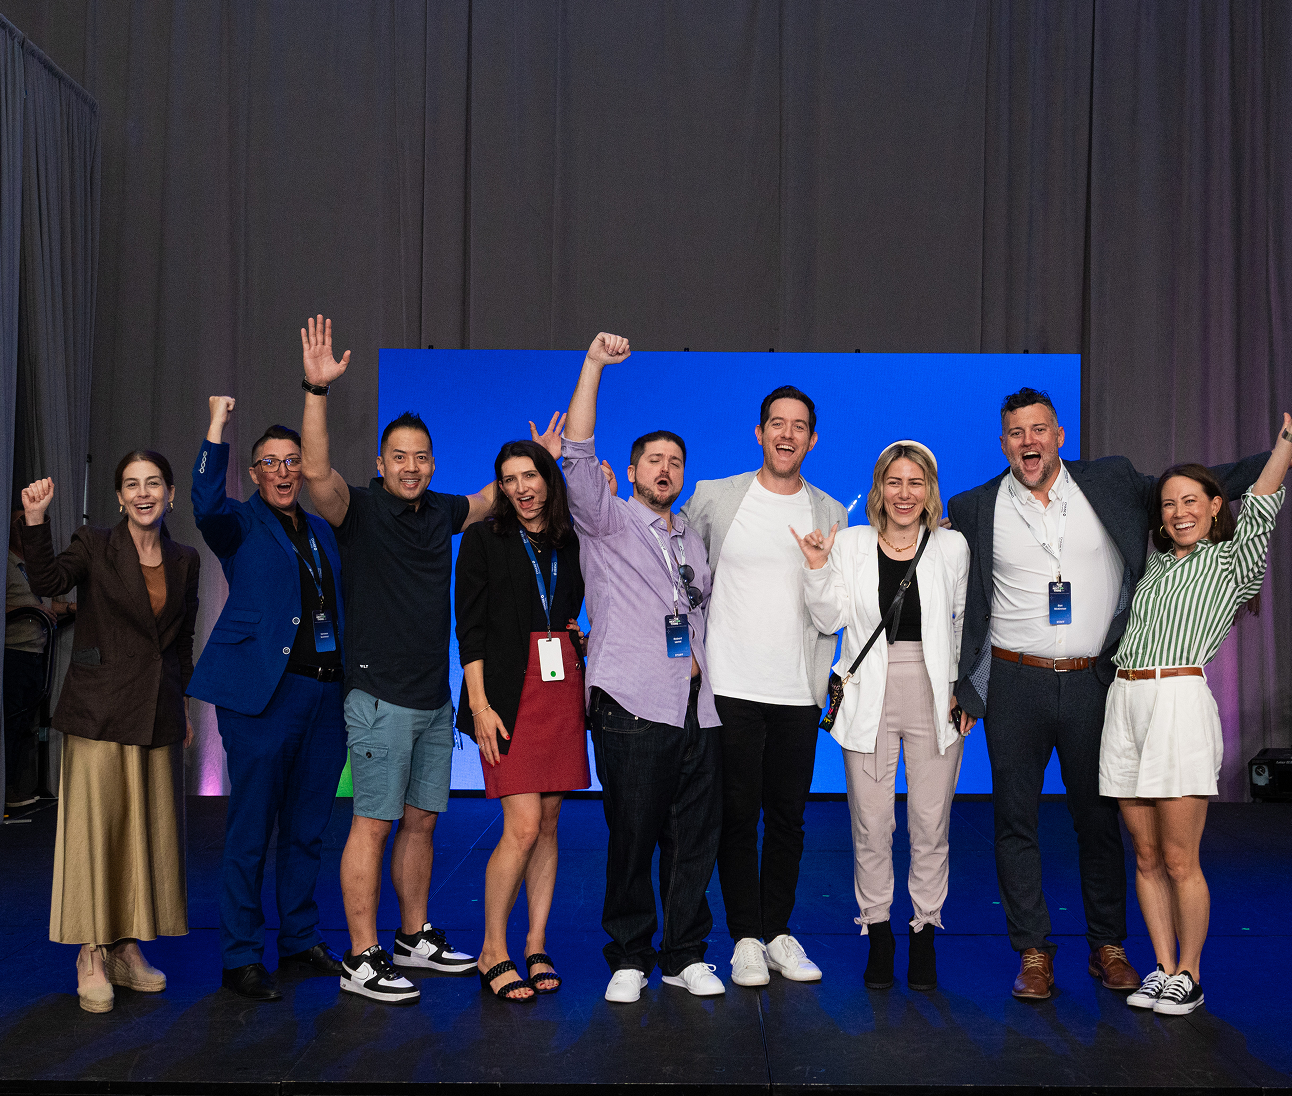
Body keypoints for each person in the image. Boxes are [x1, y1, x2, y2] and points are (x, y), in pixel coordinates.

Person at [947, 388, 1268, 1000]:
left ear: (1059, 436)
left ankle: (1108, 946)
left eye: (1039, 429)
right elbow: (940, 570)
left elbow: (1207, 482)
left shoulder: (1111, 482)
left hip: (1095, 680)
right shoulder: (975, 506)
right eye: (1016, 433)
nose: (1029, 442)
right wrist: (966, 685)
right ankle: (1033, 952)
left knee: (1098, 820)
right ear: (1003, 443)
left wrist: (1278, 454)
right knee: (1014, 821)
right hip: (1015, 683)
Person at [298, 315, 495, 1004]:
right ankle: (361, 956)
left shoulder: (441, 510)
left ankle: (413, 937)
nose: (411, 467)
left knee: (422, 821)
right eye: (399, 457)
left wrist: (544, 455)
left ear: (432, 464)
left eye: (422, 457)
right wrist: (316, 391)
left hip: (434, 700)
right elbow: (315, 473)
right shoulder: (357, 509)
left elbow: (491, 498)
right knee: (373, 823)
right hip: (378, 698)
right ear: (382, 463)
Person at [1100, 415, 1291, 1016]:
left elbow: (1262, 503)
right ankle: (1161, 968)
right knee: (1146, 856)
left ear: (1214, 506)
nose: (1180, 512)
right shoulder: (1155, 565)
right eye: (1169, 504)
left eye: (1191, 501)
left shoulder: (1232, 560)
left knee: (1181, 857)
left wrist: (1285, 447)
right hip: (1125, 701)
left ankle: (1191, 973)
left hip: (1178, 700)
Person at [561, 331, 725, 1004]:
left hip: (696, 709)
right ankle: (629, 956)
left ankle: (684, 955)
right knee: (632, 839)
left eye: (675, 462)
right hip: (631, 705)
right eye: (654, 460)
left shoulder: (689, 538)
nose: (665, 469)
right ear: (630, 473)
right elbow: (577, 454)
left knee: (692, 841)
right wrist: (594, 366)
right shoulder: (606, 522)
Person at [19, 453, 198, 1013]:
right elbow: (48, 581)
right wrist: (36, 519)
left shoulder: (185, 559)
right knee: (97, 835)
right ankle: (91, 954)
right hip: (98, 713)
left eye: (153, 483)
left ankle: (125, 948)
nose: (143, 493)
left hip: (155, 714)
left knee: (142, 836)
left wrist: (183, 705)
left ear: (170, 494)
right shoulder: (95, 544)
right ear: (120, 498)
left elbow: (182, 640)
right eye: (132, 485)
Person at [679, 386, 846, 987]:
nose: (786, 434)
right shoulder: (715, 497)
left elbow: (832, 614)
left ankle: (777, 932)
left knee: (788, 820)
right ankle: (745, 938)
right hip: (729, 686)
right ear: (759, 433)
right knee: (736, 817)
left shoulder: (831, 513)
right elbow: (675, 571)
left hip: (797, 691)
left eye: (799, 426)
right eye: (777, 423)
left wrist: (820, 566)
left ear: (812, 439)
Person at [795, 441, 971, 992]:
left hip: (935, 691)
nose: (904, 493)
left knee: (930, 824)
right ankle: (878, 932)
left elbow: (963, 622)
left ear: (929, 490)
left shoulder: (952, 546)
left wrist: (964, 691)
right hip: (868, 689)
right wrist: (817, 567)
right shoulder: (850, 543)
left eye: (915, 482)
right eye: (894, 482)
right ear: (879, 488)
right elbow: (829, 618)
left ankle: (924, 931)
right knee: (872, 824)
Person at [189, 397, 348, 1002]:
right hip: (261, 698)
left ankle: (300, 939)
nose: (283, 471)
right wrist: (217, 428)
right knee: (251, 830)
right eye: (271, 463)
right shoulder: (237, 523)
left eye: (292, 461)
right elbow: (205, 503)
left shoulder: (323, 530)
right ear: (254, 473)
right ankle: (241, 956)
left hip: (323, 695)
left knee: (308, 829)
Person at [454, 437, 592, 1001]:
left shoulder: (570, 538)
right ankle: (493, 948)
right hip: (507, 698)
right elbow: (470, 631)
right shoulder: (483, 538)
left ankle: (535, 943)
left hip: (560, 692)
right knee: (524, 826)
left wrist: (582, 638)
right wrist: (480, 706)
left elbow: (573, 608)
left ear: (547, 479)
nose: (520, 489)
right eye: (508, 479)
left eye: (529, 476)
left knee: (550, 823)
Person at [6, 511, 73, 808]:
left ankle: (20, 786)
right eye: (20, 523)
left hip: (37, 653)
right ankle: (6, 788)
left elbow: (43, 604)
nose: (25, 528)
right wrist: (31, 611)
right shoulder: (6, 564)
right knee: (11, 721)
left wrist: (71, 608)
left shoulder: (34, 567)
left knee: (27, 723)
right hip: (13, 651)